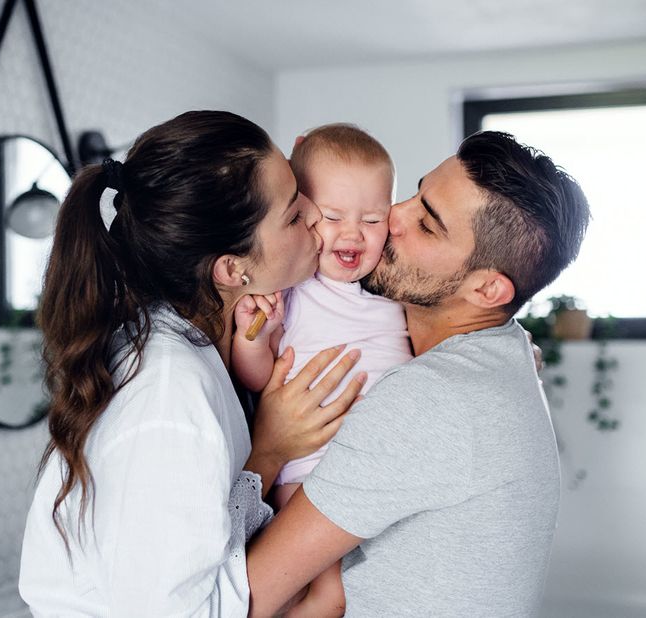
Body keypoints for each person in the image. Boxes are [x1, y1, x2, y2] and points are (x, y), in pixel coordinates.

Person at [18, 110, 367, 616]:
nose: (318, 213)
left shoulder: (207, 340)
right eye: (293, 213)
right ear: (231, 269)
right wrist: (269, 451)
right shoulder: (168, 396)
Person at [246, 130, 591, 617]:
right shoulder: (502, 353)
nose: (392, 217)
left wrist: (268, 450)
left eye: (427, 225)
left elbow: (242, 598)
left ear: (488, 290)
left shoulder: (429, 400)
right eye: (412, 194)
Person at [231, 124, 413, 617]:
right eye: (332, 217)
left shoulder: (393, 284)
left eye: (373, 220)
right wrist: (253, 336)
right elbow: (257, 375)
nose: (352, 234)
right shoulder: (293, 285)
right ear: (303, 213)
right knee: (326, 596)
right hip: (308, 462)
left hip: (379, 463)